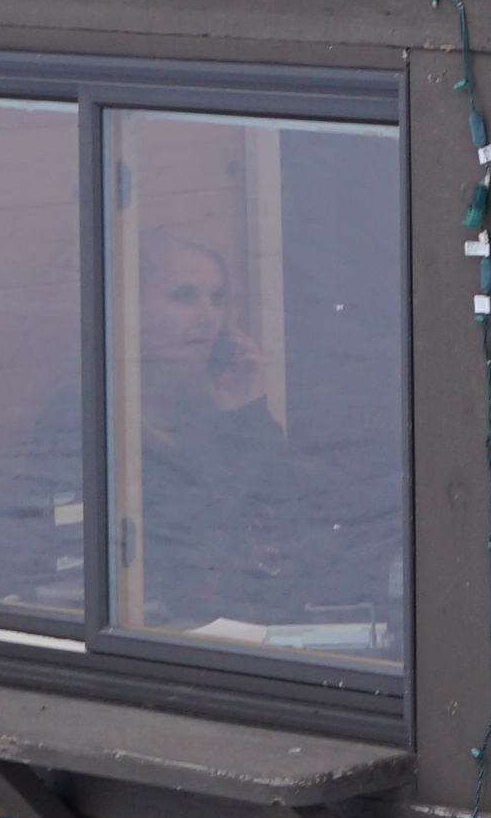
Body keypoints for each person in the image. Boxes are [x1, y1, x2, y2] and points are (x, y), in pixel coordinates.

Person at [127, 224, 335, 636]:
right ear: (132, 307)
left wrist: (243, 413)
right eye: (184, 296)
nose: (207, 316)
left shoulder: (229, 410)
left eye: (217, 299)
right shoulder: (93, 411)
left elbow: (293, 524)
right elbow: (186, 533)